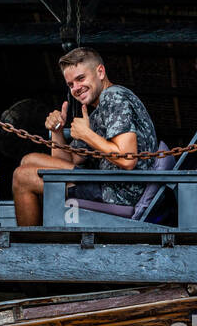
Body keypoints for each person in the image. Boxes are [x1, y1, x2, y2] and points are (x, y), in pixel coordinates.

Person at [10, 47, 158, 227]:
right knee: (28, 160)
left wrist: (86, 134)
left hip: (118, 193)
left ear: (100, 72)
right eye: (71, 84)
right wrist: (57, 131)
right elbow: (68, 161)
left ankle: (29, 243)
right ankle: (40, 234)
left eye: (81, 78)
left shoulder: (114, 96)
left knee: (22, 177)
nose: (76, 88)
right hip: (105, 184)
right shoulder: (98, 113)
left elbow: (127, 159)